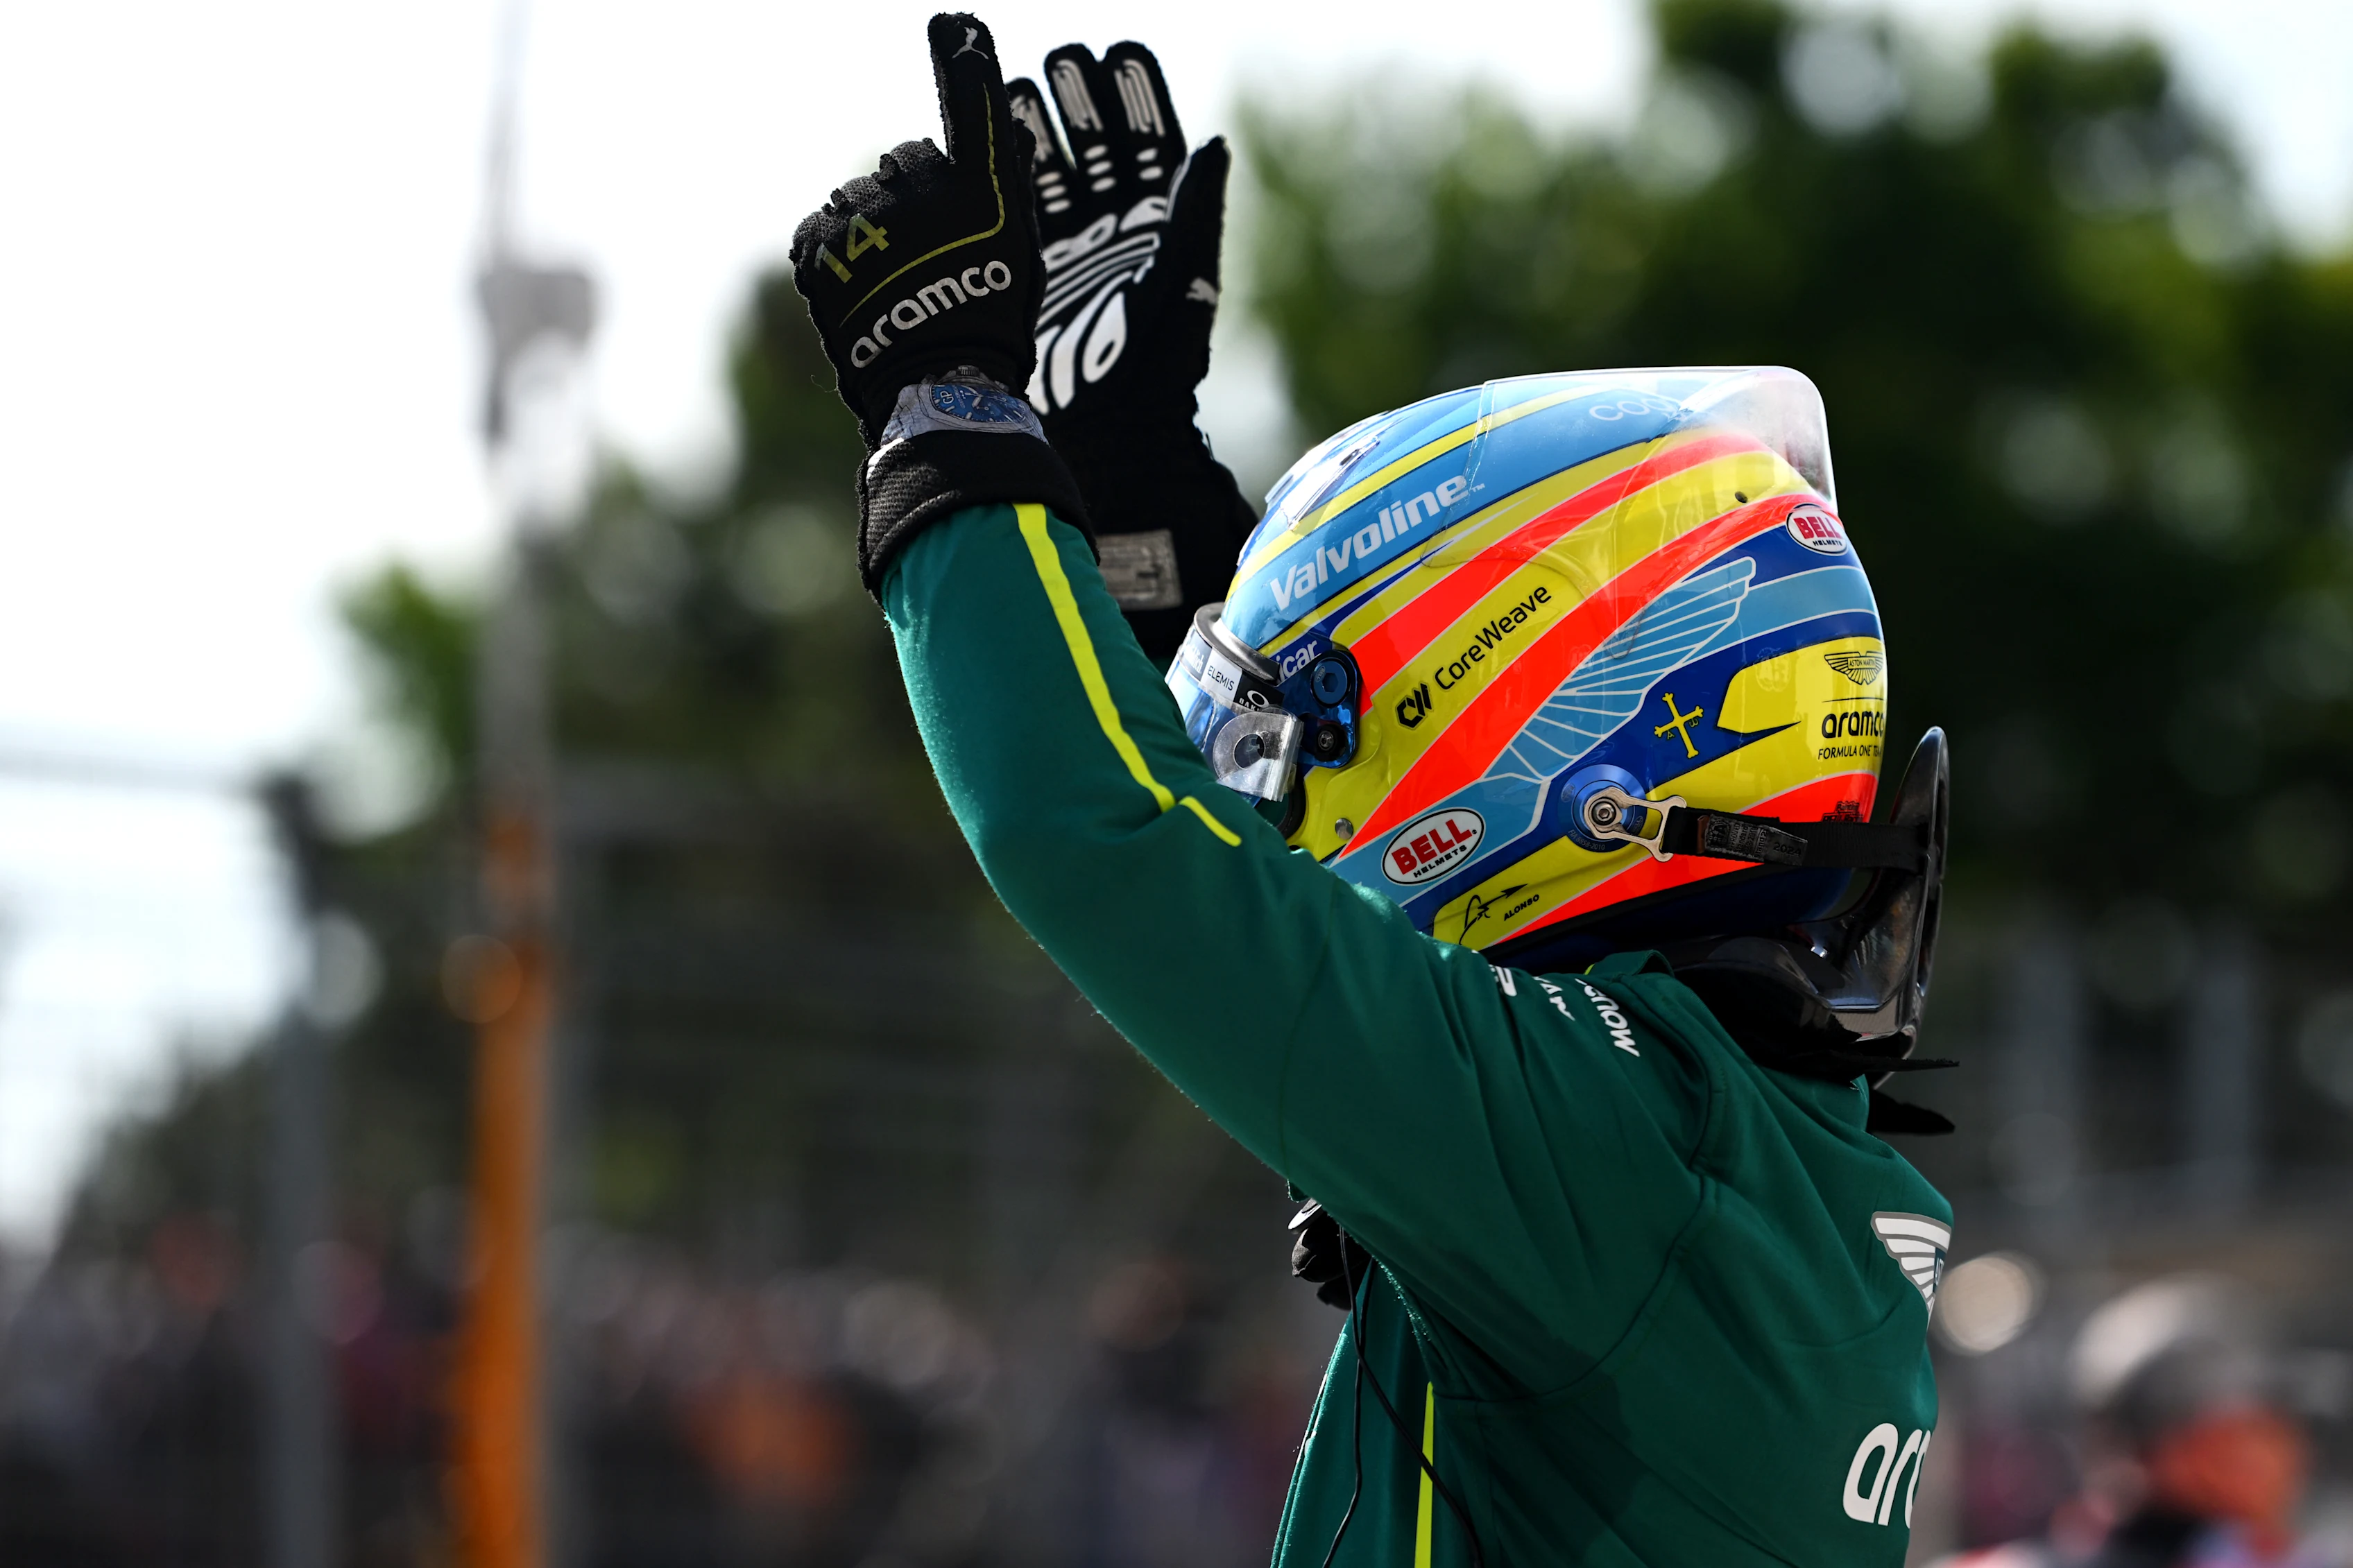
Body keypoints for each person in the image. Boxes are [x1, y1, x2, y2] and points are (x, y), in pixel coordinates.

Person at [791, 15, 1956, 1565]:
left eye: (1305, 739)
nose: (1285, 793)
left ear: (1547, 747)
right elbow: (1262, 873)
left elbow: (1120, 847)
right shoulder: (1721, 1160)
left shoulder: (1623, 1155)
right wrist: (1128, 500)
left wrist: (946, 420)